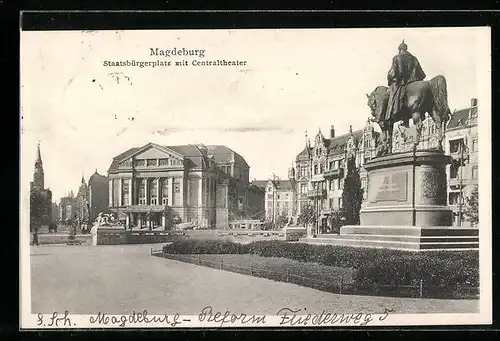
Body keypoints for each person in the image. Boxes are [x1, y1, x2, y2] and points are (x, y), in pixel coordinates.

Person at [385, 40, 426, 125]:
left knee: (391, 96)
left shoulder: (397, 57)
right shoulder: (414, 58)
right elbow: (422, 74)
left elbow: (394, 72)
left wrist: (390, 78)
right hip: (414, 81)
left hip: (402, 82)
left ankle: (393, 113)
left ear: (399, 49)